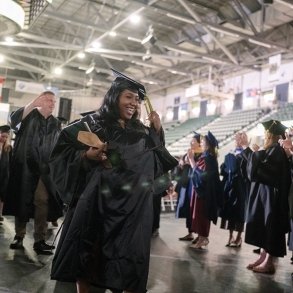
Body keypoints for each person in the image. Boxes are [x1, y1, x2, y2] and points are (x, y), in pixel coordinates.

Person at [49, 72, 176, 293]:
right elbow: (60, 155)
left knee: (126, 261)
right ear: (114, 97)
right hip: (97, 206)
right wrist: (87, 157)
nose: (134, 103)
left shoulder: (141, 132)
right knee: (89, 256)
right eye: (128, 97)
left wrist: (157, 131)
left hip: (131, 211)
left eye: (137, 99)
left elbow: (154, 165)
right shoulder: (91, 125)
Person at [4, 91, 63, 254]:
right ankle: (19, 235)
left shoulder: (56, 123)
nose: (52, 103)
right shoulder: (28, 117)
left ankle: (40, 239)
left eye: (54, 101)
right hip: (26, 167)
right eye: (49, 100)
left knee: (42, 201)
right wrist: (33, 103)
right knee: (23, 199)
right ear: (41, 100)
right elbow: (13, 120)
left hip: (45, 170)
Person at [243, 120, 291, 274]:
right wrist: (253, 153)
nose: (264, 135)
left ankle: (269, 262)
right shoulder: (271, 150)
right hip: (265, 196)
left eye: (266, 133)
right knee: (264, 227)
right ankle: (264, 257)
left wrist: (253, 153)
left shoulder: (277, 151)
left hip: (272, 199)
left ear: (271, 134)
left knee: (270, 228)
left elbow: (266, 173)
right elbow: (255, 171)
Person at [188, 131, 222, 249]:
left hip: (204, 193)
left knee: (202, 215)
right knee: (198, 214)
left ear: (207, 145)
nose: (201, 143)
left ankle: (204, 238)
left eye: (202, 142)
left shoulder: (209, 158)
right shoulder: (206, 156)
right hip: (200, 191)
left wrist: (192, 161)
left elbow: (203, 175)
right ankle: (201, 236)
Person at [220, 131, 250, 247]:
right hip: (231, 187)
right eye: (236, 139)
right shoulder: (231, 153)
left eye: (239, 139)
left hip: (241, 187)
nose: (237, 141)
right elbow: (223, 169)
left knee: (239, 213)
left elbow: (248, 170)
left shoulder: (245, 153)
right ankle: (230, 236)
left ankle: (238, 237)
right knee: (230, 213)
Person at [176, 133, 202, 242]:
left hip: (193, 184)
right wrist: (181, 164)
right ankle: (190, 233)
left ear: (199, 143)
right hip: (185, 184)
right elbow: (179, 169)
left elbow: (199, 169)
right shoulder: (188, 153)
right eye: (191, 141)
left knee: (195, 209)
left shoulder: (201, 154)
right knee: (187, 208)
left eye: (194, 141)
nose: (191, 143)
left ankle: (200, 235)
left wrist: (190, 161)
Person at [0, 125, 12, 223]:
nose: (4, 138)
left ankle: (0, 214)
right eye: (2, 136)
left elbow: (10, 162)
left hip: (4, 174)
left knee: (2, 195)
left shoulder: (8, 148)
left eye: (6, 137)